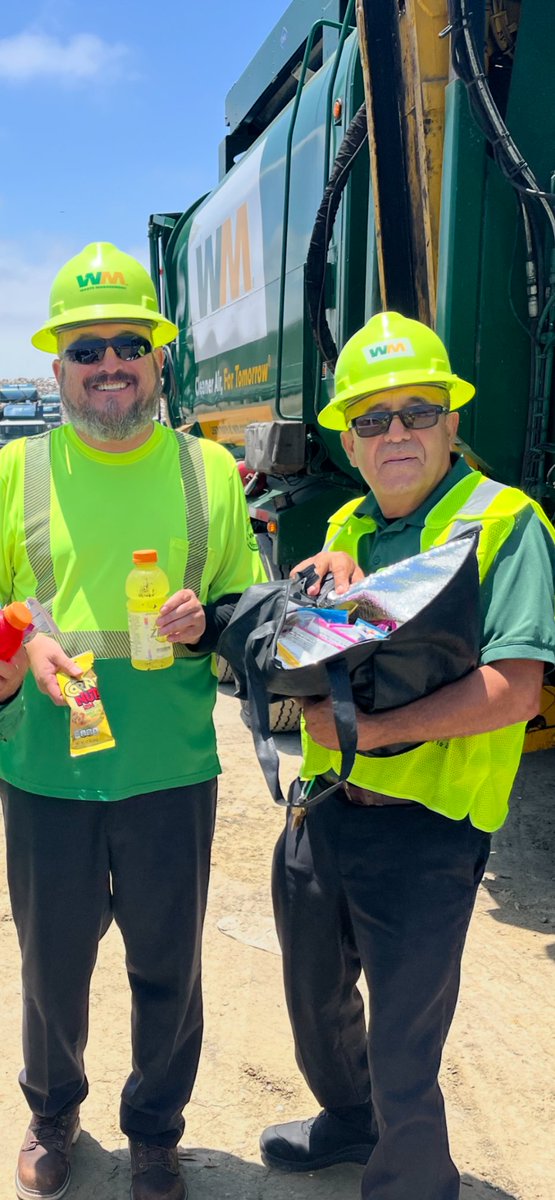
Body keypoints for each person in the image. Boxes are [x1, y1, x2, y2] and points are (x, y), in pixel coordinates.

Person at [259, 311, 555, 1200]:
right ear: (349, 441)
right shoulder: (348, 523)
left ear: (450, 423)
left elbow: (516, 689)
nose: (395, 432)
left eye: (417, 412)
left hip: (427, 829)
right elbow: (324, 654)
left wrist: (370, 736)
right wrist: (305, 597)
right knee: (314, 1001)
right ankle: (350, 1123)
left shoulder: (502, 522)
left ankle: (412, 1179)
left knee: (403, 1042)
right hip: (325, 809)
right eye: (372, 418)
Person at [0, 242, 265, 1200]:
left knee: (168, 967)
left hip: (170, 768)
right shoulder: (16, 470)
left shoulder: (210, 472)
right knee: (51, 968)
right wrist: (24, 642)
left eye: (127, 345)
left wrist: (211, 623)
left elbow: (249, 613)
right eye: (86, 349)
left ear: (159, 358)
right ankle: (52, 1112)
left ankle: (155, 1131)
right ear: (57, 368)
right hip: (47, 770)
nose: (108, 364)